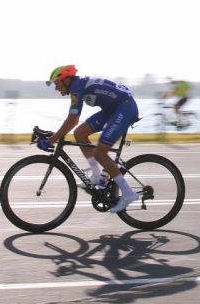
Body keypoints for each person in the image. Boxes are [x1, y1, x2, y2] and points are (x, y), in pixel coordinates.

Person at [42, 64, 141, 214]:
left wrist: (52, 140)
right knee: (80, 133)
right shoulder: (77, 85)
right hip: (112, 110)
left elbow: (73, 119)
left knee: (100, 153)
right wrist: (55, 137)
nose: (56, 88)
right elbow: (74, 122)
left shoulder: (77, 87)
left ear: (66, 80)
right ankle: (96, 175)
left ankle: (128, 193)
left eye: (57, 84)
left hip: (125, 108)